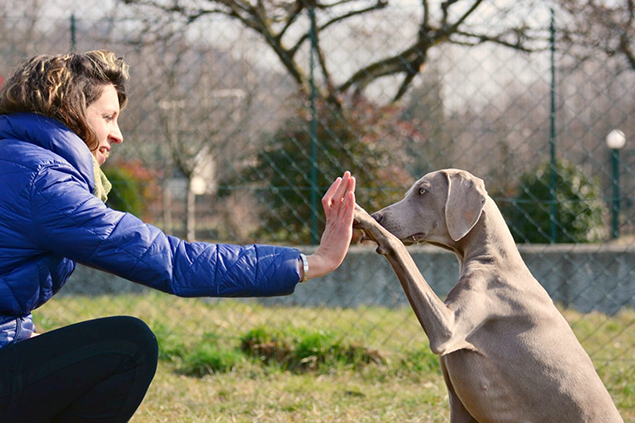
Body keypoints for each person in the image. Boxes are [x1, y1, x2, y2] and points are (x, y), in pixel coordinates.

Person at [0, 50, 356, 422]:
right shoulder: (42, 180)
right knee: (128, 346)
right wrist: (310, 262)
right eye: (107, 117)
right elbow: (175, 262)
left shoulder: (15, 160)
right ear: (68, 111)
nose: (117, 135)